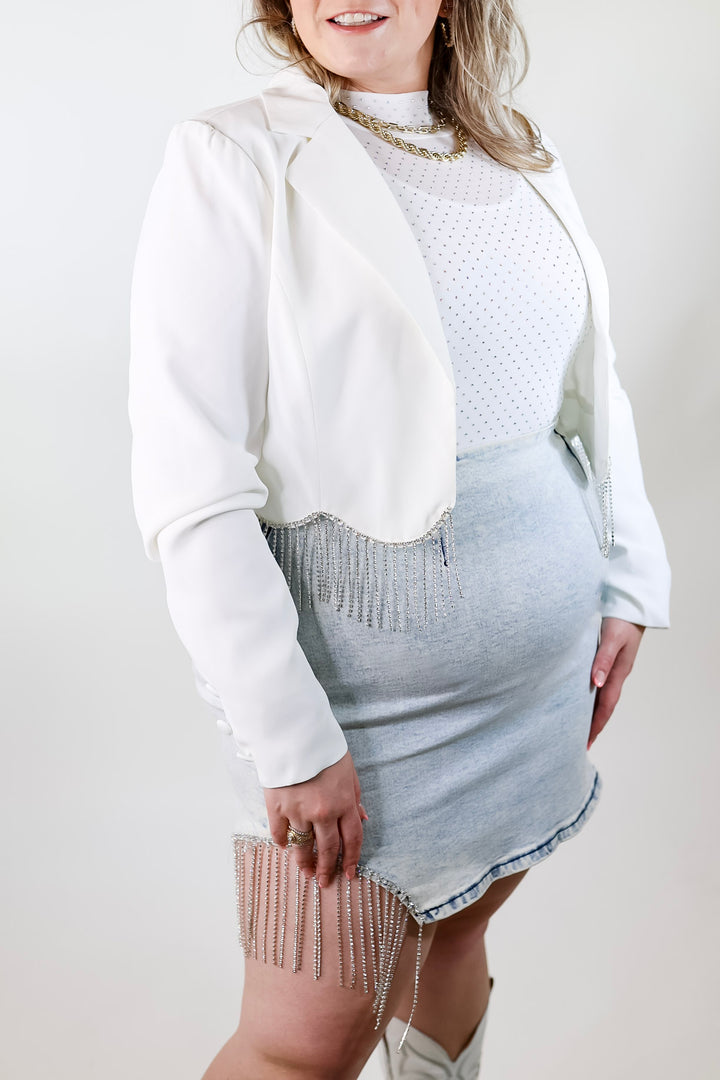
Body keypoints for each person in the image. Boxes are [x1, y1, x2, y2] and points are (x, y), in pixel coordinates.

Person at [127, 1, 671, 1076]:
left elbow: (588, 386)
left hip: (534, 691)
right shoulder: (231, 155)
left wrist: (629, 578)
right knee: (298, 1046)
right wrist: (291, 740)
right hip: (356, 715)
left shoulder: (515, 149)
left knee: (455, 934)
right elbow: (189, 479)